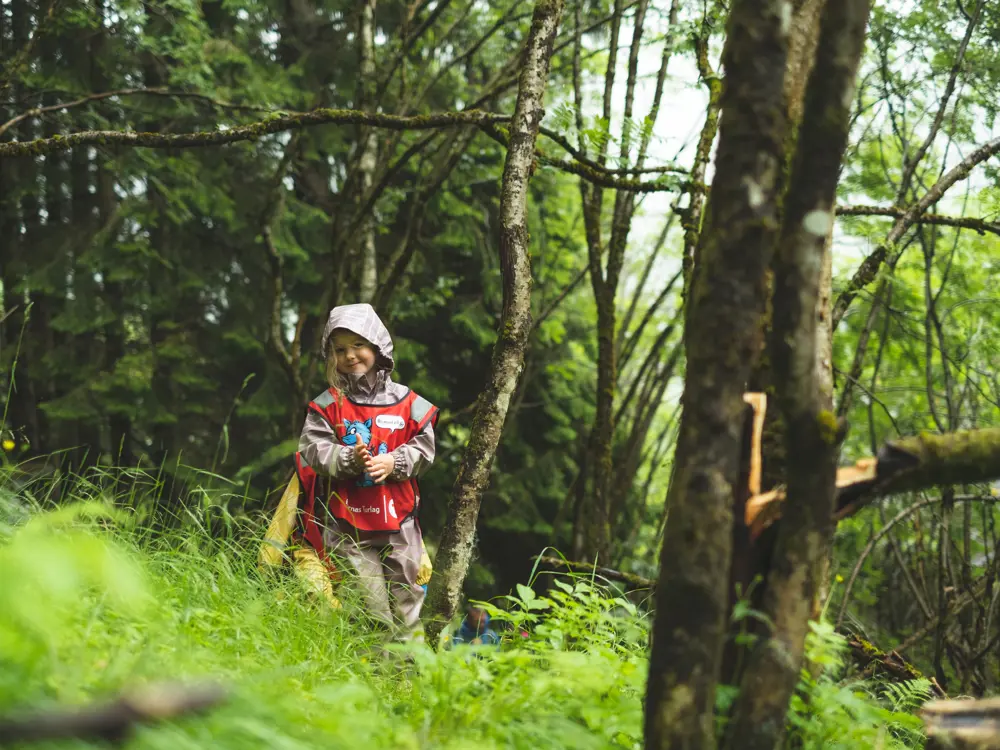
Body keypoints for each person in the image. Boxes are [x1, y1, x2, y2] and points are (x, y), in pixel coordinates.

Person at [295, 303, 438, 641]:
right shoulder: (327, 405)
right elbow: (312, 449)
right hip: (348, 527)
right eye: (339, 349)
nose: (350, 355)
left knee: (407, 608)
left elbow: (425, 449)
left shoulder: (410, 402)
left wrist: (394, 462)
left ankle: (409, 684)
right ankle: (375, 683)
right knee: (368, 611)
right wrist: (349, 459)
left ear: (377, 345)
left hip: (400, 525)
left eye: (358, 345)